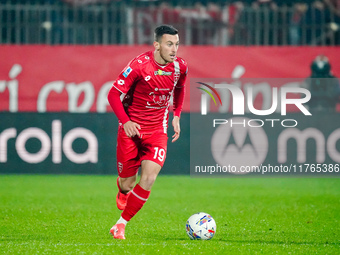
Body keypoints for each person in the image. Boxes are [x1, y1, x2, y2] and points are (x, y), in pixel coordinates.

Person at [107, 24, 188, 240]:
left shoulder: (180, 67)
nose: (174, 49)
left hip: (157, 131)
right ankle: (122, 189)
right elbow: (113, 95)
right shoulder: (138, 66)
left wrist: (176, 115)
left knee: (149, 178)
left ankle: (121, 224)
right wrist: (125, 122)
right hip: (131, 130)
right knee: (128, 184)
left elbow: (180, 88)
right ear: (156, 45)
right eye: (169, 44)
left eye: (177, 45)